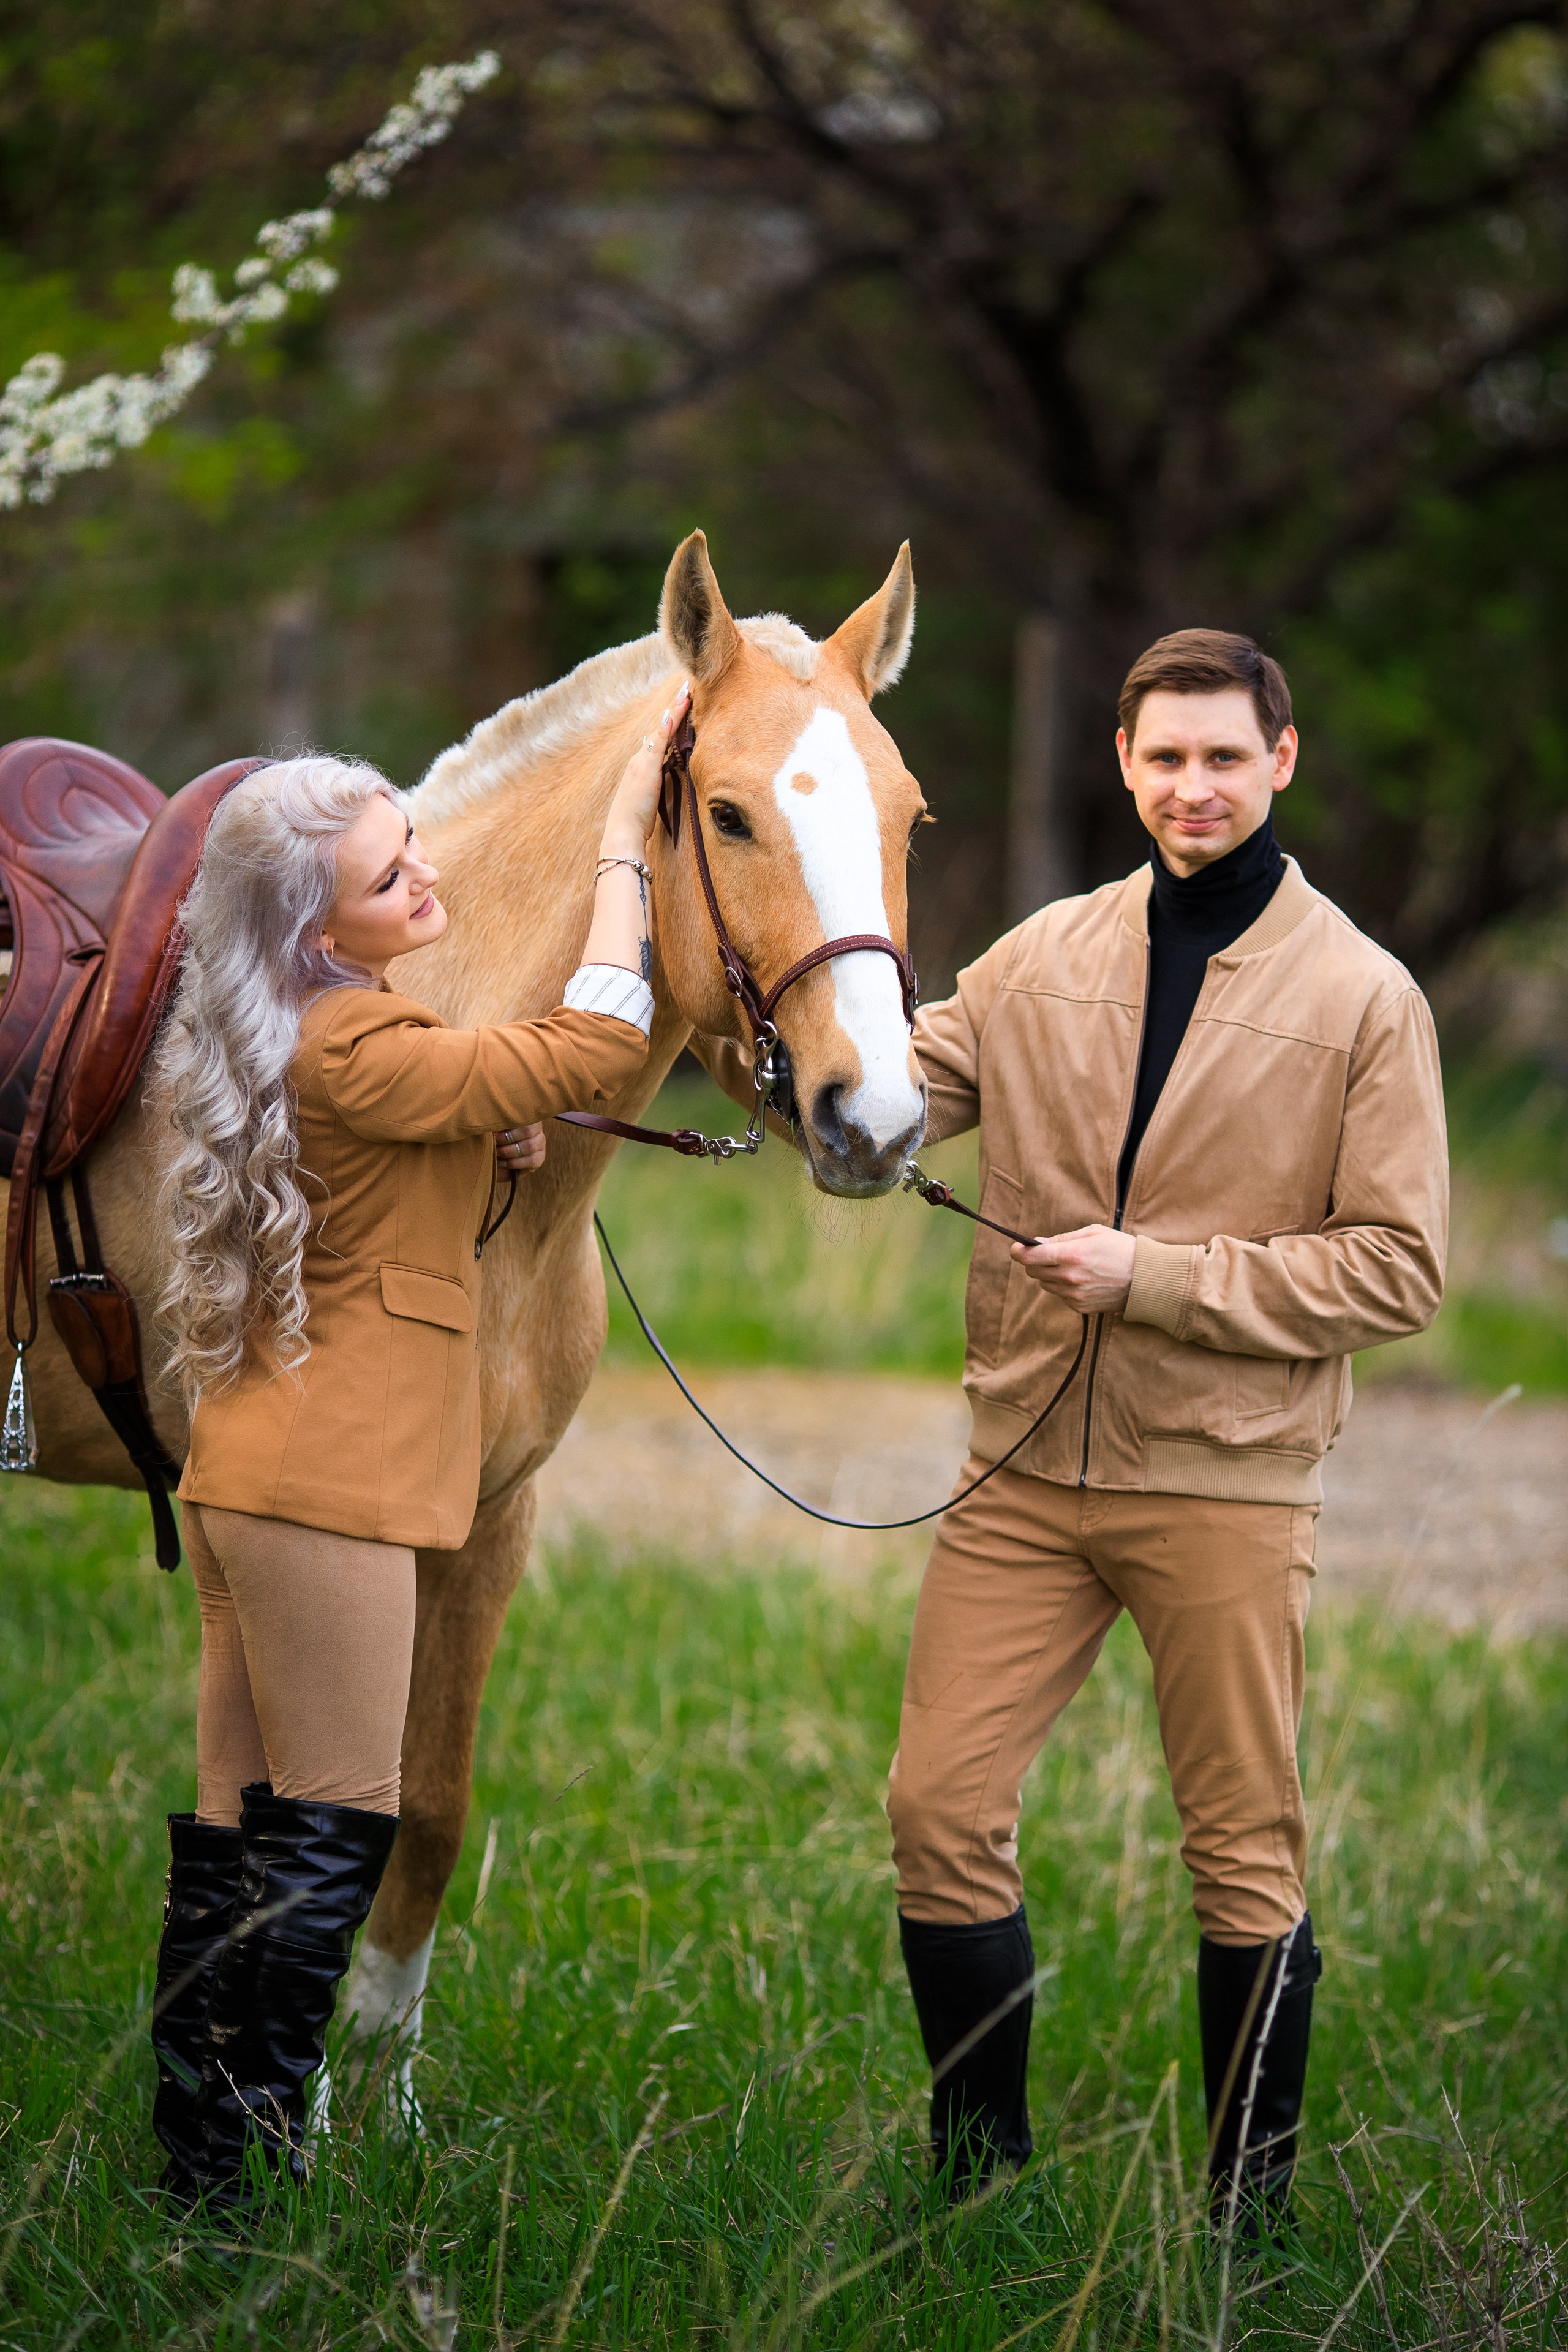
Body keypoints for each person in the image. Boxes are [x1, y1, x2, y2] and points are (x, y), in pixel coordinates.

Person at [888, 631, 1447, 2229]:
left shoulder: (1365, 999)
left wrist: (1161, 1279)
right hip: (1019, 1468)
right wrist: (665, 1056)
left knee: (1243, 1855)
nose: (1190, 786)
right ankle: (980, 2187)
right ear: (1125, 768)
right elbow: (874, 1092)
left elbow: (1398, 1267)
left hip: (1223, 1476)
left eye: (1221, 756)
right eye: (1163, 758)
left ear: (1282, 761)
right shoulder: (1039, 956)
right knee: (937, 1810)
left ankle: (1244, 2226)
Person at [147, 688, 687, 2206]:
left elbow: (426, 1143)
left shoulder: (326, 1034)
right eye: (393, 876)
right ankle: (254, 2165)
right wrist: (625, 863)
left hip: (253, 1472)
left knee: (230, 1833)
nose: (428, 882)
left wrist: (489, 1131)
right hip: (334, 1488)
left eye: (413, 850)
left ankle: (197, 2160)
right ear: (319, 927)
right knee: (335, 1828)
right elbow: (594, 1038)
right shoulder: (369, 1046)